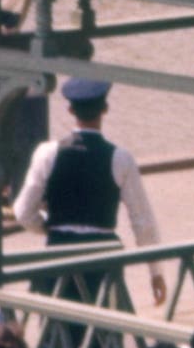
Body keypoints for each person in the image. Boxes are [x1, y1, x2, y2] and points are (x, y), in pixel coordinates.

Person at [12, 71, 159, 280]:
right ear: (105, 109)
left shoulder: (47, 153)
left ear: (71, 109)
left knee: (55, 312)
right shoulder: (121, 158)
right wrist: (155, 272)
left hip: (58, 259)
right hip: (103, 263)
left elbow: (22, 212)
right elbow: (143, 222)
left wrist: (49, 227)